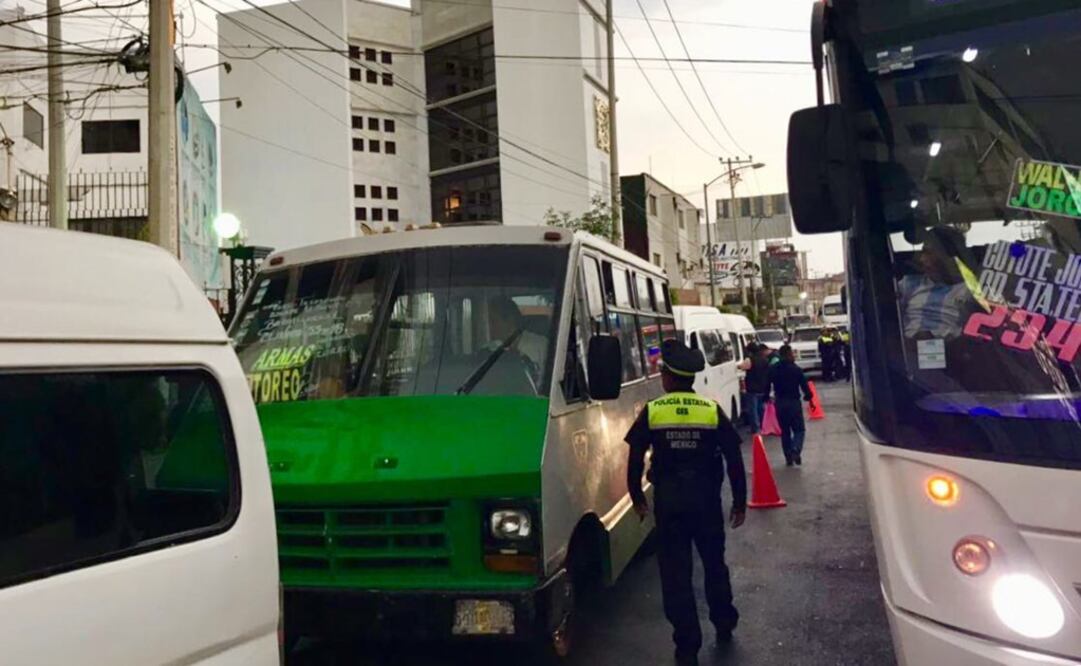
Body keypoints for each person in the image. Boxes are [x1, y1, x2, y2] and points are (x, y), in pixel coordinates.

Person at [625, 339, 747, 666]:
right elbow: (734, 456)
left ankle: (687, 647)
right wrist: (740, 501)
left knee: (676, 575)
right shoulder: (710, 409)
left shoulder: (653, 411)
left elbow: (635, 458)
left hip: (670, 505)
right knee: (714, 564)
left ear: (667, 377)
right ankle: (723, 621)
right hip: (706, 502)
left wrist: (637, 497)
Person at [769, 344, 814, 466]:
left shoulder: (773, 369)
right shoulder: (796, 369)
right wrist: (809, 398)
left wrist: (766, 398)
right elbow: (805, 387)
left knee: (785, 431)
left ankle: (788, 457)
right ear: (788, 354)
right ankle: (795, 449)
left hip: (780, 403)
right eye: (792, 353)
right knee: (799, 430)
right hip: (793, 403)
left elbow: (767, 385)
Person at [738, 343, 771, 434]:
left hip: (752, 388)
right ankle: (763, 425)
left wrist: (737, 366)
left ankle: (755, 428)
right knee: (761, 408)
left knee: (753, 409)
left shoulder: (750, 359)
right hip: (762, 387)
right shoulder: (765, 359)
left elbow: (742, 367)